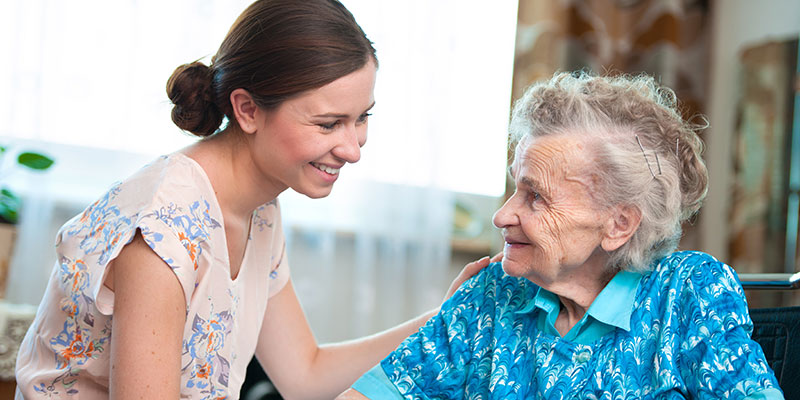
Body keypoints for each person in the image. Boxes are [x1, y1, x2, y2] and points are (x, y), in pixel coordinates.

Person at [14, 1, 493, 398]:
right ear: (247, 109)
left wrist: (445, 321)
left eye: (361, 118)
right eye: (328, 124)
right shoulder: (163, 229)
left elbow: (305, 374)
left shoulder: (259, 206)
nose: (352, 149)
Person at [338, 71, 784, 399]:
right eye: (516, 187)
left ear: (618, 224)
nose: (502, 216)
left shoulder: (686, 293)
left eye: (536, 197)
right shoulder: (495, 293)